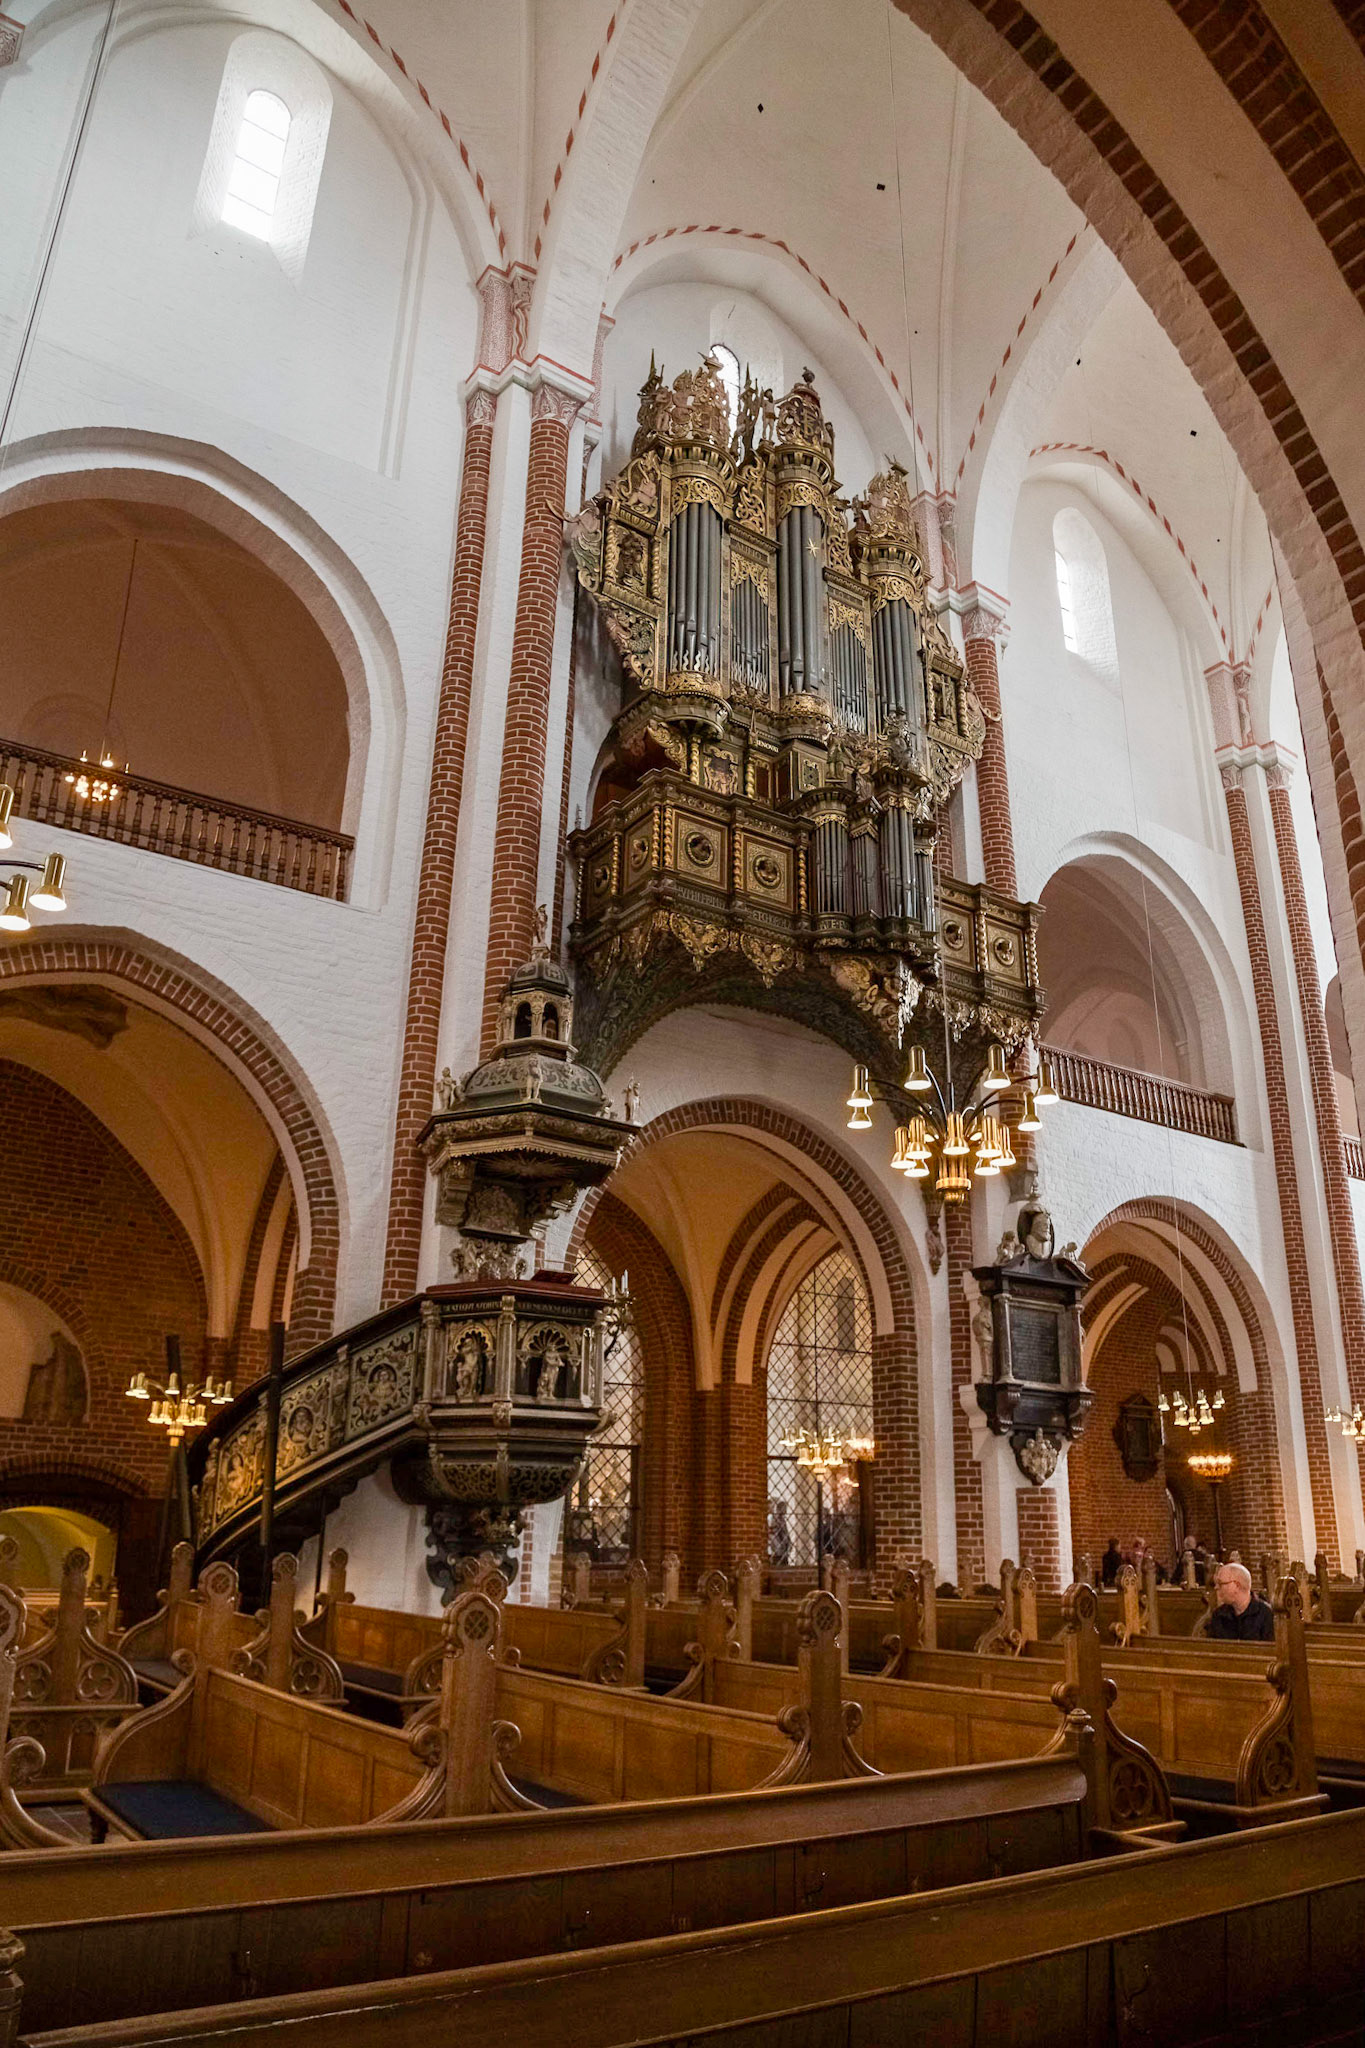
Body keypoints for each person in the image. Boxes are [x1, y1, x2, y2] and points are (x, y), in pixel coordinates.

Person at [1207, 1561, 1274, 1641]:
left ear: (1236, 1586)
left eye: (1220, 1583)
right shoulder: (1219, 1615)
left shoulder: (1265, 1614)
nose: (1216, 1587)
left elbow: (1272, 1649)